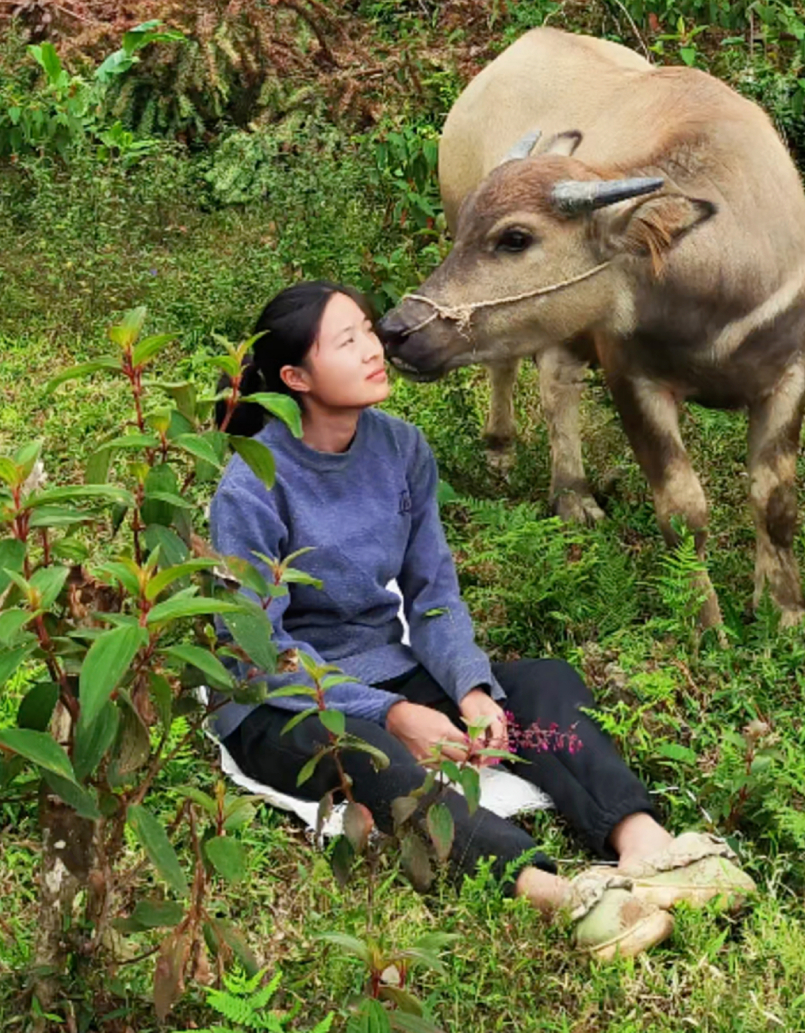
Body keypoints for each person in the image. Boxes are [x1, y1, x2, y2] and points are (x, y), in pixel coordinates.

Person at [209, 280, 754, 963]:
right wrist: (391, 716)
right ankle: (555, 894)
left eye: (368, 332)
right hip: (284, 706)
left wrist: (469, 688)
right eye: (347, 343)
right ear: (295, 377)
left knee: (543, 685)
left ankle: (647, 846)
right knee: (364, 756)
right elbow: (256, 652)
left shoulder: (401, 449)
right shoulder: (252, 483)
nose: (375, 350)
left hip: (388, 669)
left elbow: (432, 594)